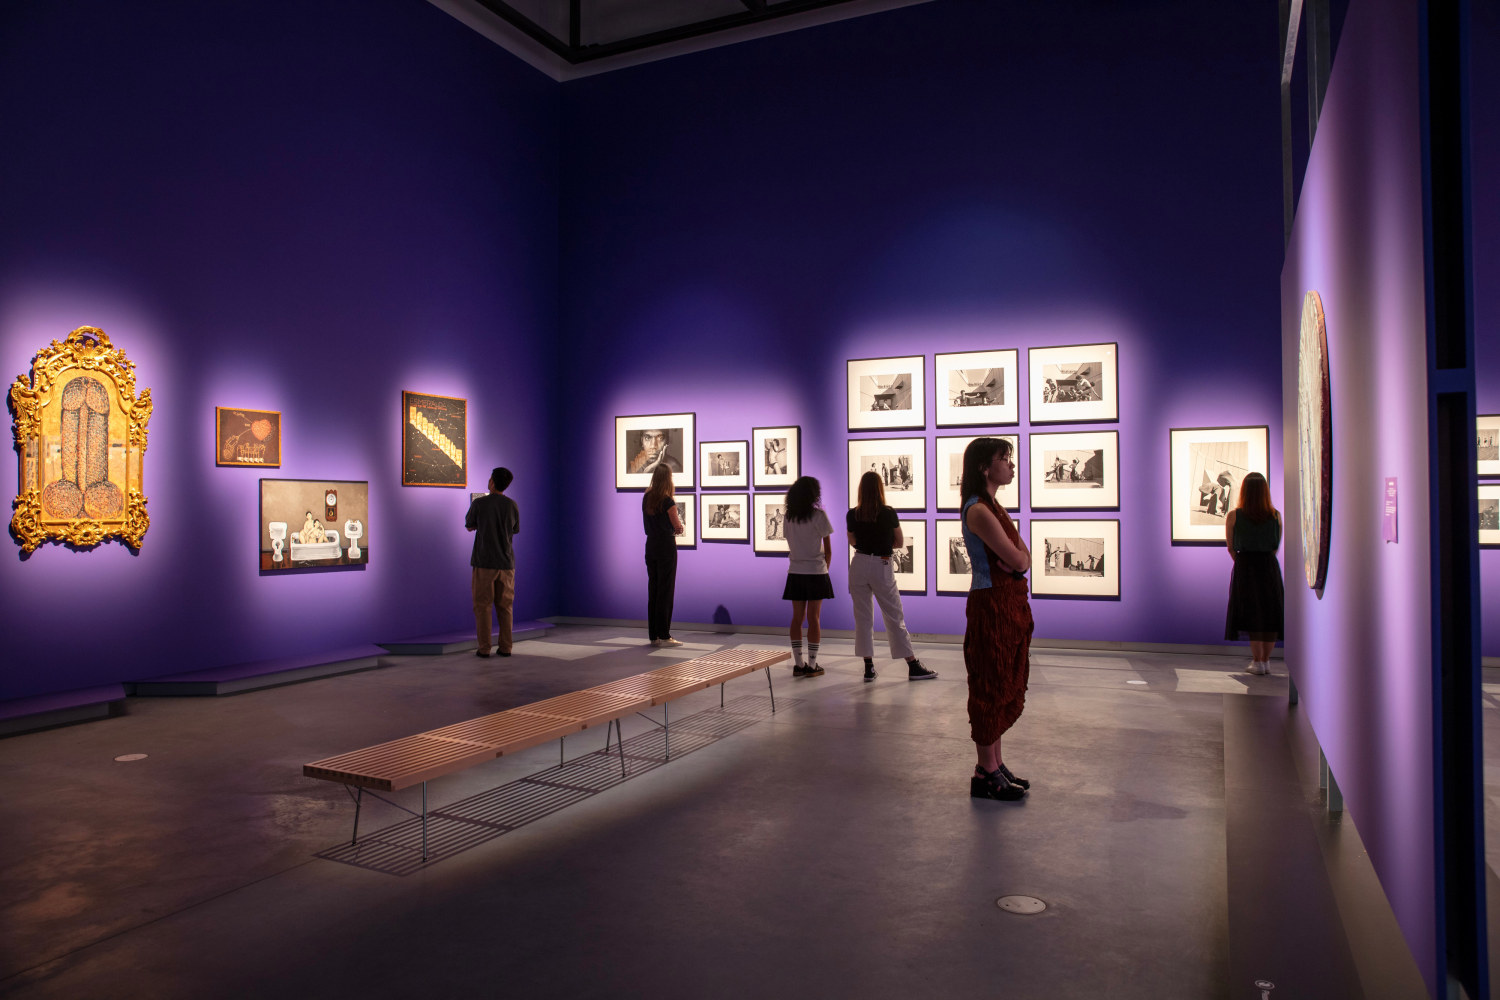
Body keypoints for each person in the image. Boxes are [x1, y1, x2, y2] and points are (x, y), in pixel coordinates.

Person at [960, 437, 1033, 802]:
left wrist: (1019, 559)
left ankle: (995, 764)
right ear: (984, 467)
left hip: (1006, 605)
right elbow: (1020, 560)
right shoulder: (979, 511)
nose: (1011, 465)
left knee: (1003, 680)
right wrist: (1018, 560)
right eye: (1004, 459)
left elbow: (1025, 557)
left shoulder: (992, 506)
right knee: (990, 685)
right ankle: (985, 772)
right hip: (992, 606)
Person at [846, 471, 936, 682]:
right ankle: (912, 665)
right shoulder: (887, 513)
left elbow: (852, 540)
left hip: (858, 563)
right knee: (894, 615)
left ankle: (868, 667)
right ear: (880, 488)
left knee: (862, 617)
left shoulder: (852, 514)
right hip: (881, 562)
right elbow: (899, 541)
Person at [1224, 471, 1284, 675]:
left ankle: (1257, 661)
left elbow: (1231, 547)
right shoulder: (1276, 515)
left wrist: (1242, 562)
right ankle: (1265, 661)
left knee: (1251, 613)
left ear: (1244, 491)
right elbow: (1275, 545)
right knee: (1270, 613)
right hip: (1268, 567)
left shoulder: (1234, 516)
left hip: (1245, 567)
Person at [781, 476, 835, 678]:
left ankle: (798, 663)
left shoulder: (788, 517)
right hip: (816, 572)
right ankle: (812, 665)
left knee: (797, 618)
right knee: (814, 618)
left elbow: (790, 543)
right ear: (814, 494)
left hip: (795, 572)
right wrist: (824, 570)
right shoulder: (819, 515)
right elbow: (828, 550)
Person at [465, 467, 520, 658]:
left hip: (484, 562)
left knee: (483, 606)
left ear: (491, 482)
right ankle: (506, 647)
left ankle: (484, 648)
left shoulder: (480, 504)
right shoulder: (512, 505)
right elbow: (515, 529)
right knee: (505, 607)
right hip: (506, 563)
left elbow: (469, 525)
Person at [642, 464, 683, 647]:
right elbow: (678, 527)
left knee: (654, 589)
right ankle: (665, 634)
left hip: (651, 546)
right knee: (666, 591)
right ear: (668, 478)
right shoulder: (668, 502)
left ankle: (654, 635)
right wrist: (679, 527)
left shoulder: (647, 498)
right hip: (666, 547)